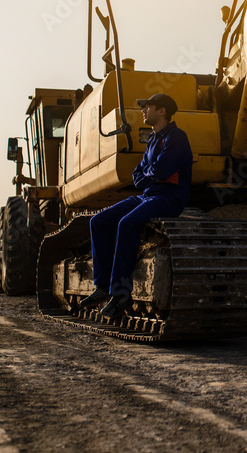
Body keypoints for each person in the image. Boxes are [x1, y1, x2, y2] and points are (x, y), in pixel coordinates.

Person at [80, 93, 192, 318]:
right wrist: (151, 174)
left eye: (147, 107)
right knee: (99, 221)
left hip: (169, 198)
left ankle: (120, 293)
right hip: (147, 195)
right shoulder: (153, 139)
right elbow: (137, 175)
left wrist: (150, 174)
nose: (142, 111)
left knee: (127, 223)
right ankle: (103, 286)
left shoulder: (176, 137)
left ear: (162, 111)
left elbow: (162, 170)